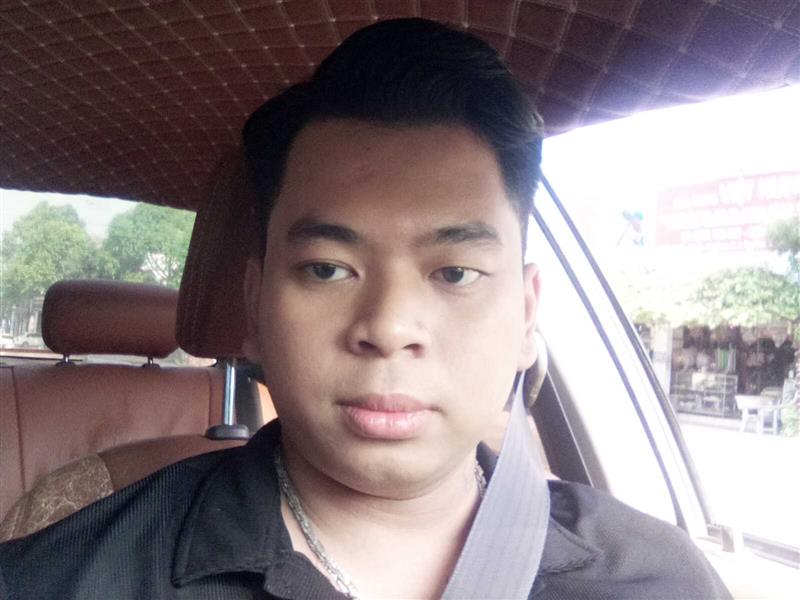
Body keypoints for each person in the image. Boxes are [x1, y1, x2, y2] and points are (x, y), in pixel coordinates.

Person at [0, 18, 730, 600]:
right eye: (327, 269)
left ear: (526, 315)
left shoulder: (656, 580)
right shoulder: (63, 580)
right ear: (254, 306)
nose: (387, 327)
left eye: (455, 273)